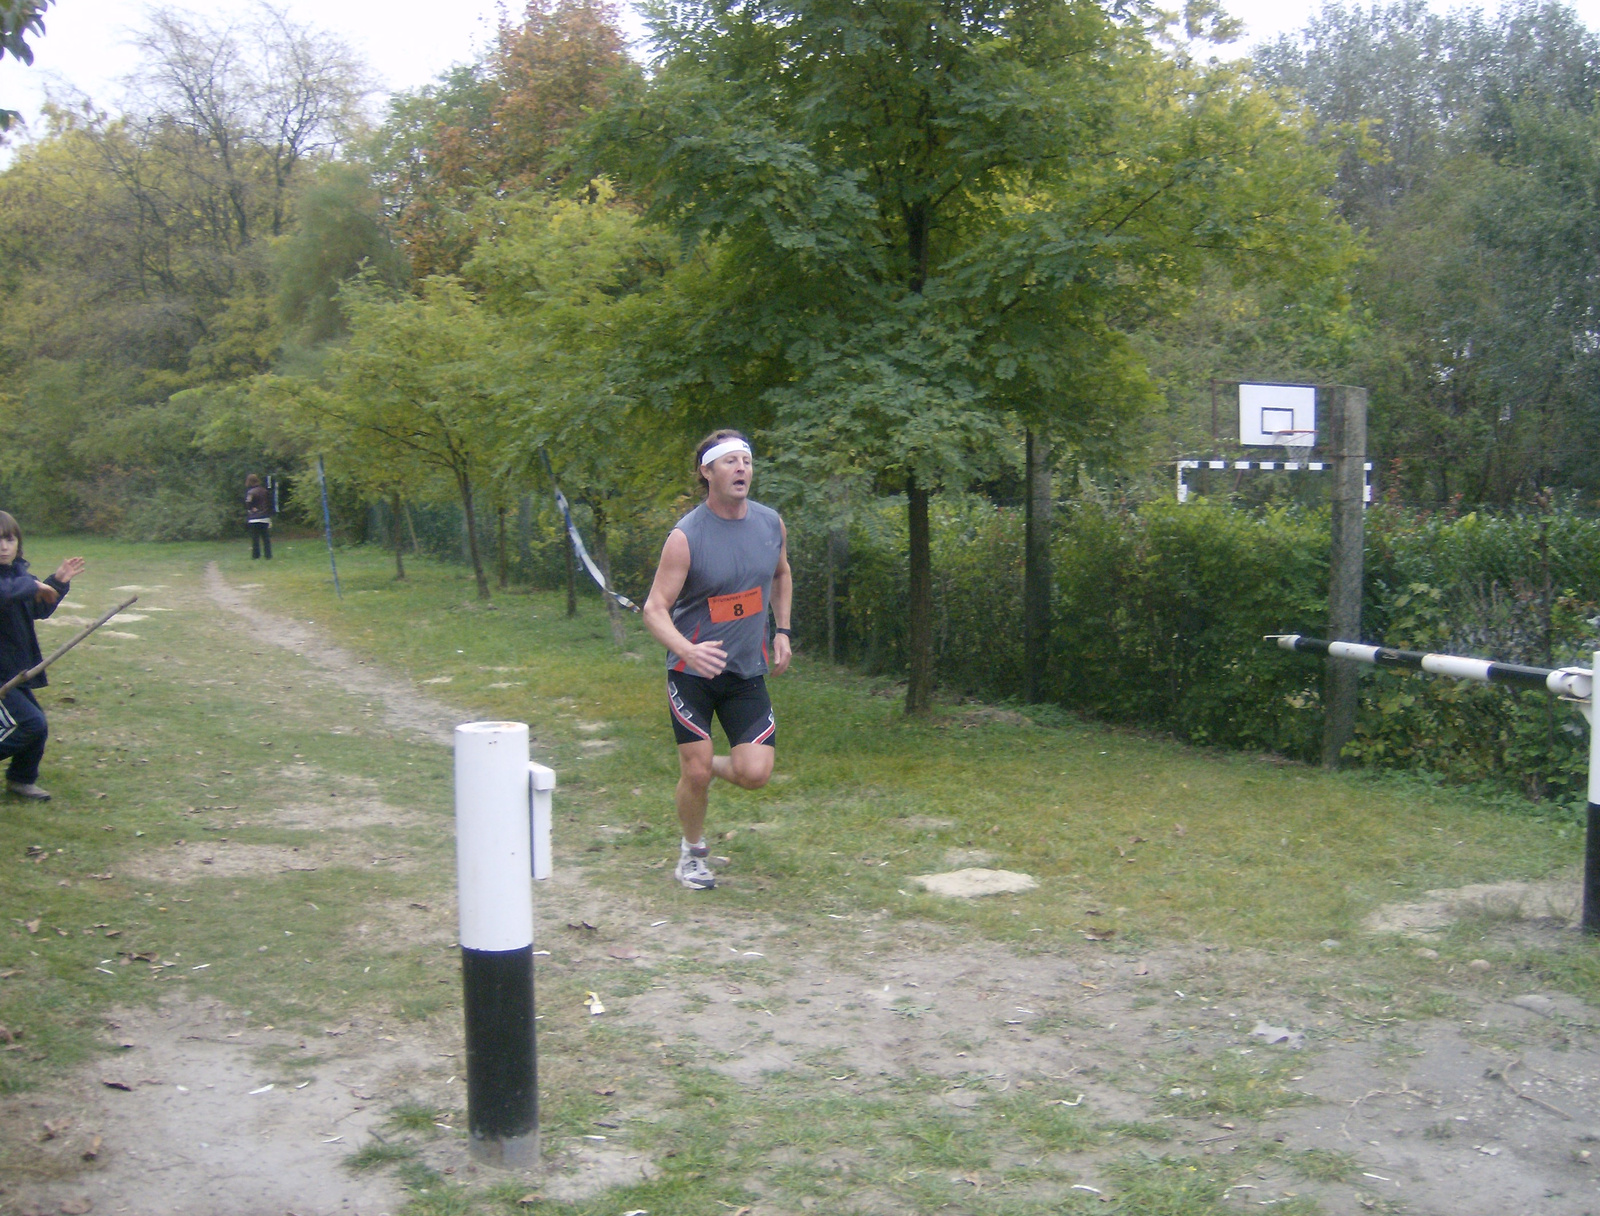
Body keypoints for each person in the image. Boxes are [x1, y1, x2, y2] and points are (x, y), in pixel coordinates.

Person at [642, 430, 792, 890]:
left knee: (755, 773)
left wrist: (782, 629)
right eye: (729, 461)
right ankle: (692, 853)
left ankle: (705, 768)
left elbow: (782, 574)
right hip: (692, 672)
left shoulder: (770, 524)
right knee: (696, 768)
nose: (741, 468)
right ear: (707, 472)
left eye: (746, 460)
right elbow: (654, 609)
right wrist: (685, 649)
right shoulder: (686, 537)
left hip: (746, 669)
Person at [0, 512, 84, 801]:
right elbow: (5, 594)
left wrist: (57, 583)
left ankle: (21, 780)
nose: (3, 546)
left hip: (16, 670)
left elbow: (38, 609)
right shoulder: (14, 583)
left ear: (17, 542)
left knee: (37, 726)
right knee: (29, 724)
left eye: (9, 539)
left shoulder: (19, 575)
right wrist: (33, 585)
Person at [245, 474, 272, 559]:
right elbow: (269, 503)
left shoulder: (251, 492)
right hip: (265, 517)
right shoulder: (265, 491)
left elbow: (248, 503)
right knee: (266, 538)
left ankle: (256, 556)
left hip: (254, 518)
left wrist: (251, 509)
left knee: (255, 539)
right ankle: (268, 555)